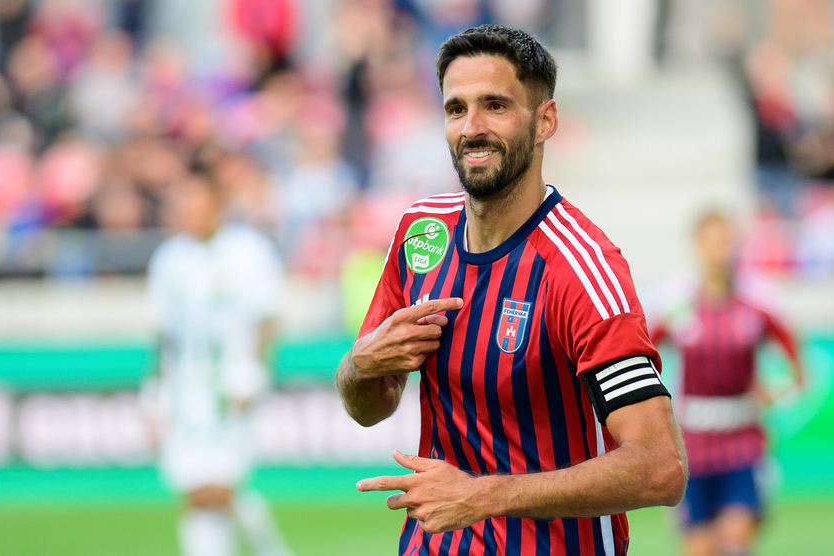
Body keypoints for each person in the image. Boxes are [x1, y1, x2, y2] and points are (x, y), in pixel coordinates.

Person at [335, 25, 687, 556]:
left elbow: (661, 468)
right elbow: (370, 406)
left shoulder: (580, 269)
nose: (471, 128)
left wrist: (481, 496)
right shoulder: (421, 233)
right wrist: (358, 367)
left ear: (545, 121)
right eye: (456, 109)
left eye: (495, 106)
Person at [144, 165, 295, 556]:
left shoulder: (247, 250)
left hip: (230, 385)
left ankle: (271, 549)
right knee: (194, 491)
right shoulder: (169, 258)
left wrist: (252, 372)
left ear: (217, 203)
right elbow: (162, 332)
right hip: (184, 389)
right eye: (181, 202)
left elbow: (268, 317)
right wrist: (154, 391)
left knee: (218, 486)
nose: (187, 210)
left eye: (195, 200)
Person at [648, 210, 805, 556]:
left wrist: (775, 392)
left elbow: (798, 367)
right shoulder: (674, 304)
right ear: (697, 245)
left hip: (743, 442)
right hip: (690, 444)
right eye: (713, 241)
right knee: (699, 547)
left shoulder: (759, 302)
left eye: (727, 241)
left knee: (735, 539)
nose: (721, 250)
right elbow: (640, 356)